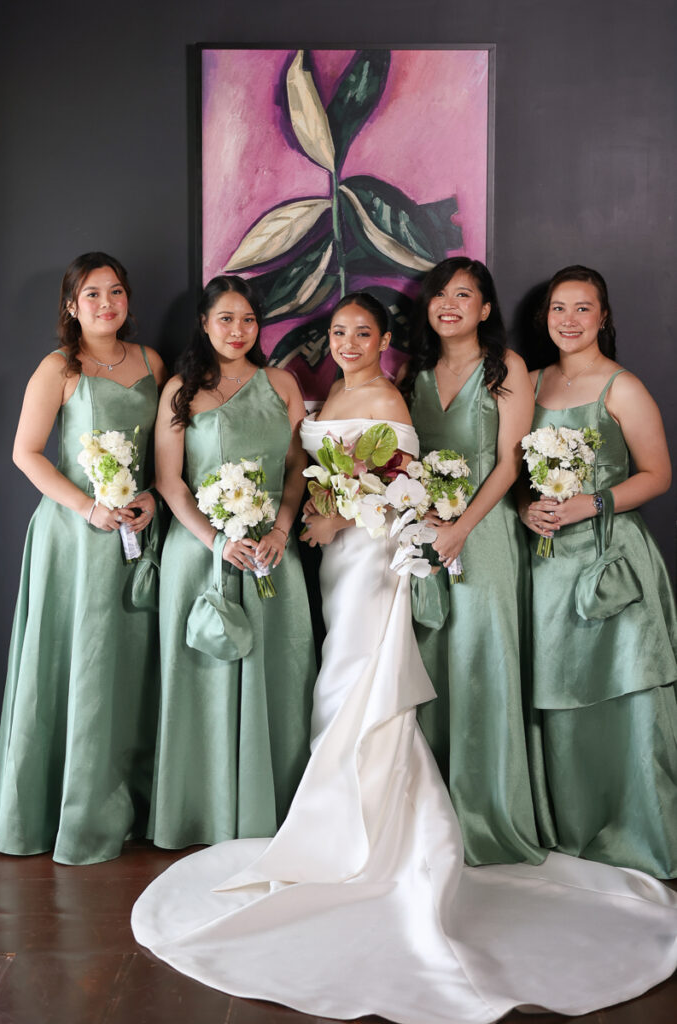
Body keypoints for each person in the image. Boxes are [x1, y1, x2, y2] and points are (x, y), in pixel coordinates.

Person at [132, 291, 677, 1024]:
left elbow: (400, 487)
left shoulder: (389, 395)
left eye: (362, 332)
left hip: (371, 554)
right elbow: (313, 469)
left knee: (362, 678)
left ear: (383, 339)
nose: (349, 341)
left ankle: (368, 827)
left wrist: (336, 514)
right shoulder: (327, 394)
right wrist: (317, 511)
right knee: (340, 677)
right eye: (338, 331)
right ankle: (342, 810)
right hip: (334, 559)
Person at [0, 251, 166, 864]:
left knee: (128, 665)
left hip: (136, 533)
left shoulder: (152, 362)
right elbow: (26, 453)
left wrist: (150, 498)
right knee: (76, 662)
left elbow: (165, 455)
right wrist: (87, 508)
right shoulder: (58, 368)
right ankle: (62, 812)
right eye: (92, 294)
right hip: (73, 537)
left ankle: (128, 806)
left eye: (115, 291)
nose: (105, 304)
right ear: (72, 305)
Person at [147, 275, 315, 848]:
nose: (238, 330)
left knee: (280, 673)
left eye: (248, 319)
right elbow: (169, 481)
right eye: (226, 319)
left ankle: (277, 810)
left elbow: (297, 469)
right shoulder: (180, 390)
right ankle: (200, 812)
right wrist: (217, 542)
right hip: (201, 554)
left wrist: (282, 528)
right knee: (203, 679)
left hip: (272, 552)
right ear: (204, 323)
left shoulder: (282, 384)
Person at [521, 264, 677, 878]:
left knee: (626, 691)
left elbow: (658, 475)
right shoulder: (528, 382)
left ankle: (640, 832)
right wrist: (525, 507)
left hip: (612, 561)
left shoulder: (623, 387)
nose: (569, 320)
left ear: (603, 316)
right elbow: (509, 469)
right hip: (547, 567)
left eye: (583, 308)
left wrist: (593, 502)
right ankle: (574, 826)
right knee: (561, 694)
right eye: (559, 308)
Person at [401, 257, 546, 864]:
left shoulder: (506, 367)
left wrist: (461, 528)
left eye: (464, 295)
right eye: (440, 294)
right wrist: (425, 521)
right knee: (430, 660)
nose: (449, 304)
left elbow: (511, 463)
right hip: (423, 534)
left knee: (484, 658)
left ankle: (487, 812)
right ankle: (431, 816)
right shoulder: (412, 373)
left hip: (484, 533)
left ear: (485, 309)